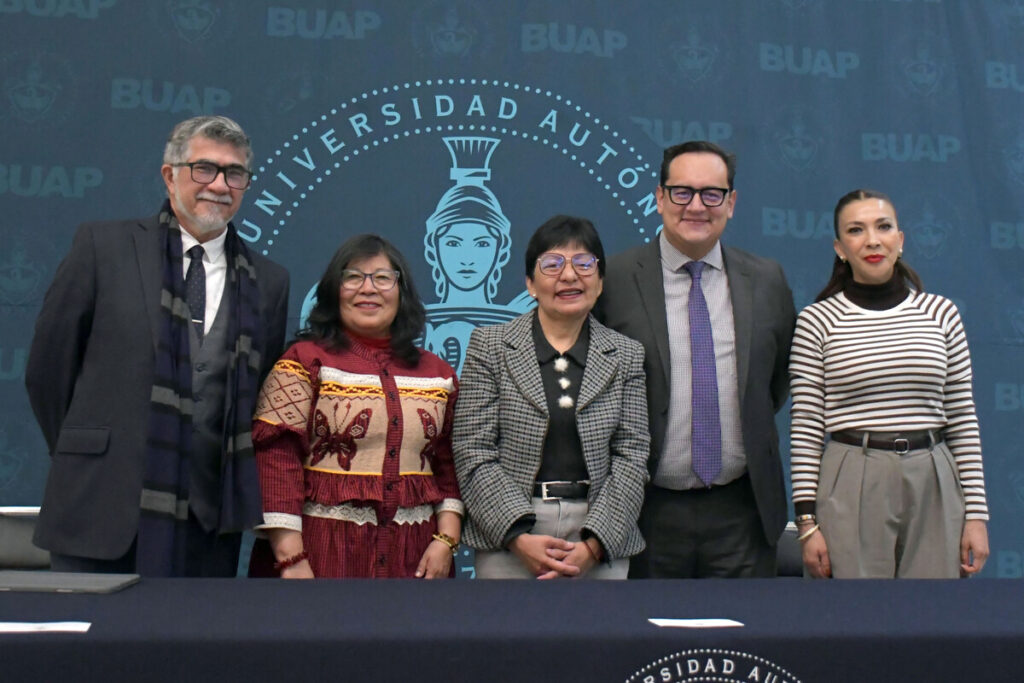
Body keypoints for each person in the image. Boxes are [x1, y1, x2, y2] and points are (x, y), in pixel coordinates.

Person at [25, 115, 290, 577]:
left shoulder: (268, 281)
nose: (219, 185)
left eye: (234, 173)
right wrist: (90, 452)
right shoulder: (103, 247)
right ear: (170, 175)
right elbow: (48, 372)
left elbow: (255, 399)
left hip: (206, 526)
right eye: (204, 169)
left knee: (189, 651)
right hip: (96, 510)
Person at [596, 141, 796, 578]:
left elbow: (775, 381)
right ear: (659, 198)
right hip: (643, 508)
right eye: (682, 192)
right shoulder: (614, 281)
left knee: (745, 644)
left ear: (732, 202)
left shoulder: (767, 280)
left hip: (742, 512)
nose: (697, 206)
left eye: (712, 194)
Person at [789, 189, 989, 578]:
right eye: (856, 230)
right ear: (840, 248)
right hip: (851, 475)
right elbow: (806, 426)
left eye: (883, 227)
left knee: (932, 617)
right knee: (857, 619)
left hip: (934, 475)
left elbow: (962, 417)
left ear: (900, 239)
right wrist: (807, 522)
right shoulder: (817, 321)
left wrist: (976, 516)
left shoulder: (941, 313)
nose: (872, 240)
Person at [250, 234, 463, 578]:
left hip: (416, 560)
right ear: (334, 291)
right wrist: (290, 558)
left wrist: (445, 542)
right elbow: (276, 460)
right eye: (352, 277)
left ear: (401, 292)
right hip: (318, 556)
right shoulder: (303, 362)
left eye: (382, 278)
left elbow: (450, 465)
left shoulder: (438, 374)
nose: (368, 289)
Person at [453, 215, 650, 579]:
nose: (570, 275)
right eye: (552, 264)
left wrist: (593, 544)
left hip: (599, 532)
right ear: (530, 283)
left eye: (584, 263)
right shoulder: (490, 347)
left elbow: (632, 456)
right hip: (509, 536)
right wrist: (517, 535)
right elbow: (473, 449)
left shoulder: (626, 355)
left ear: (601, 280)